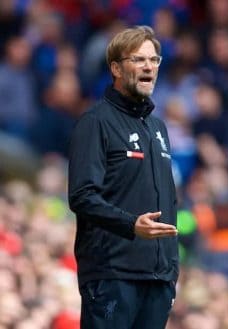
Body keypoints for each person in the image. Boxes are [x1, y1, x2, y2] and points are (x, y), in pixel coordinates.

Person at [68, 26, 179, 329]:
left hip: (157, 279)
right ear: (116, 68)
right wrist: (130, 225)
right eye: (139, 59)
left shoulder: (158, 128)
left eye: (154, 60)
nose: (148, 67)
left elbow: (168, 198)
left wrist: (171, 269)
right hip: (112, 274)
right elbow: (82, 196)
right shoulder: (95, 122)